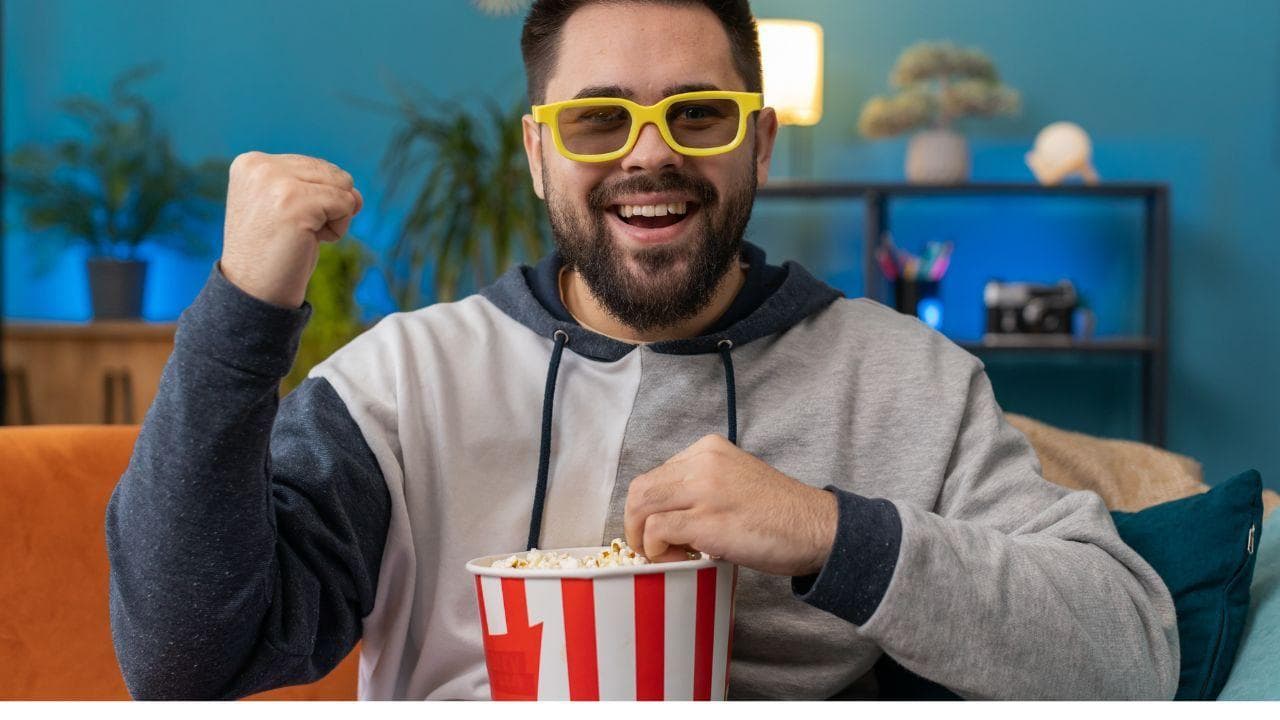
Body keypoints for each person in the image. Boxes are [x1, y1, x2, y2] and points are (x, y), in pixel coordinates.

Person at [105, 0, 1179, 700]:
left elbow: (1127, 653)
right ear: (536, 154)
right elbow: (182, 658)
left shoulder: (910, 380)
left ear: (757, 141)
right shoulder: (400, 384)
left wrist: (825, 533)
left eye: (699, 115)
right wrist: (242, 312)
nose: (650, 155)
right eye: (594, 123)